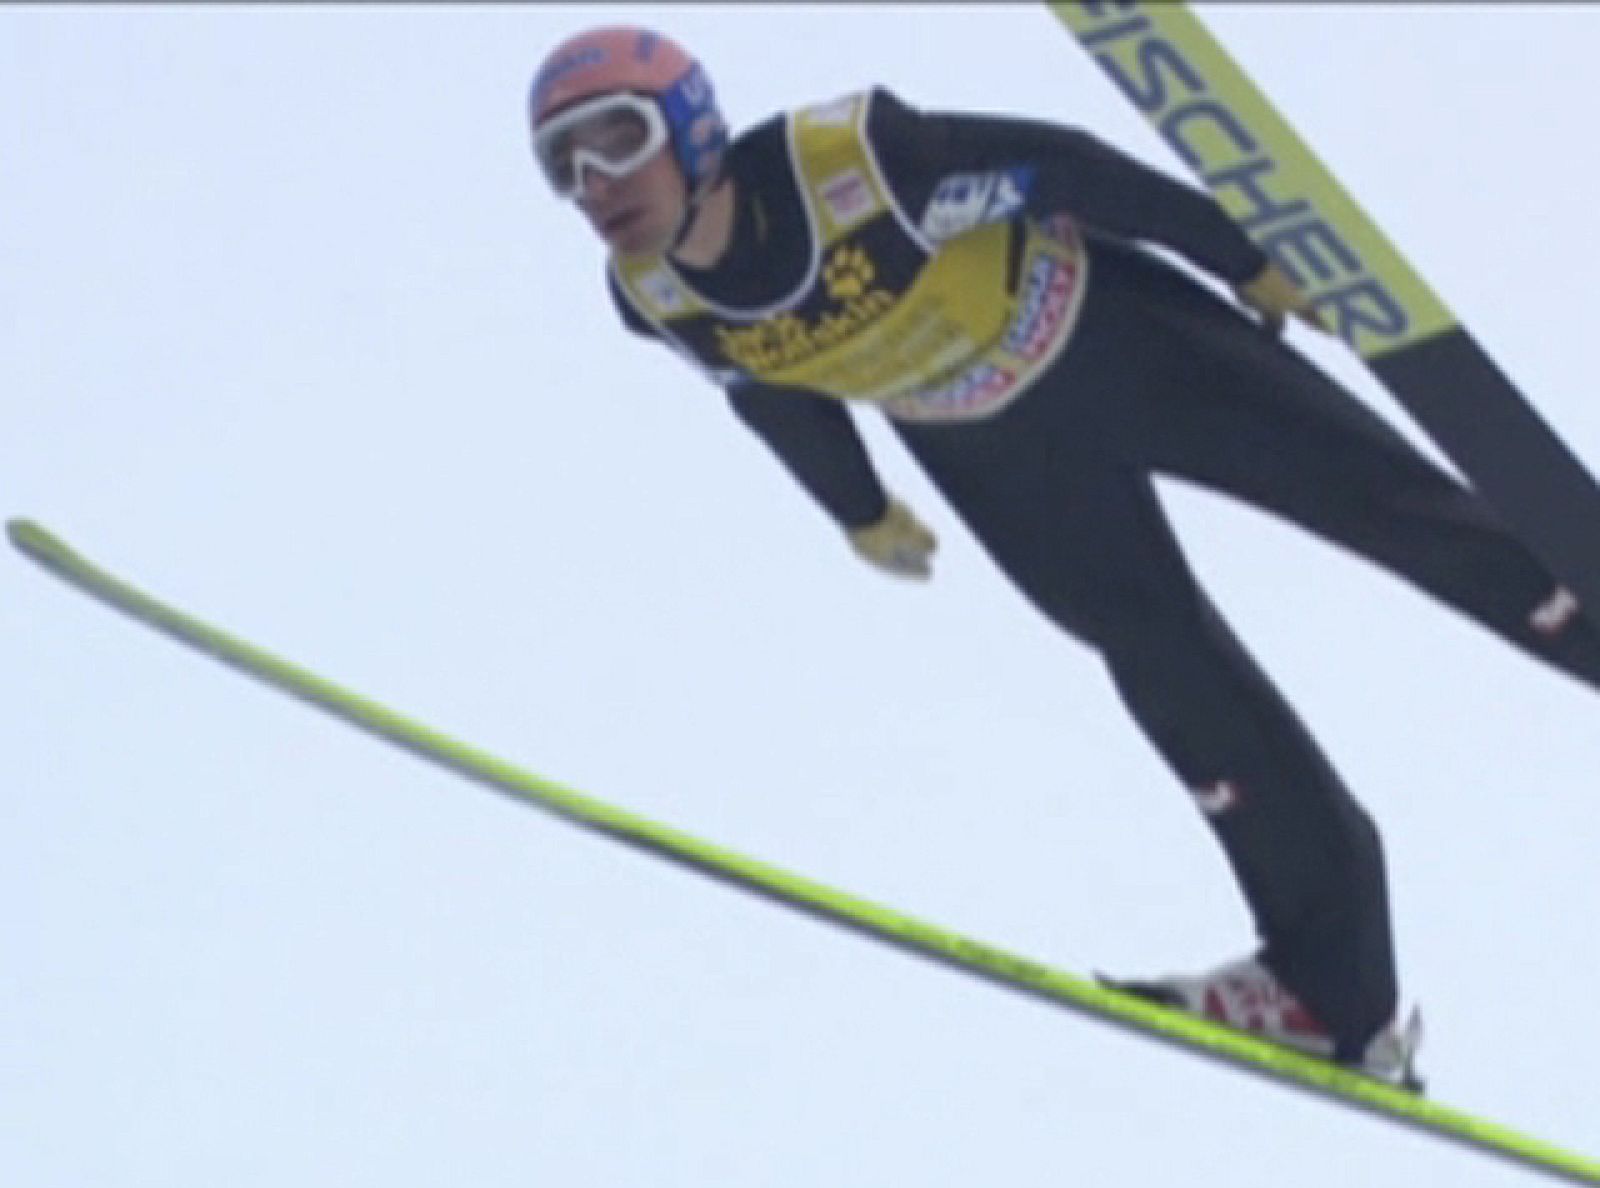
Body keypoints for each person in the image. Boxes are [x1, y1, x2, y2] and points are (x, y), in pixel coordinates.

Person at [526, 24, 1600, 1083]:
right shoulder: (658, 299)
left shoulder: (850, 169)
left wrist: (1239, 254)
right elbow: (770, 394)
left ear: (691, 125)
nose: (592, 181)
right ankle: (1333, 995)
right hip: (997, 454)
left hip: (1116, 342)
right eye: (560, 164)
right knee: (1164, 668)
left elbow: (1063, 170)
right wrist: (857, 508)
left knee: (1385, 505)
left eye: (614, 138)